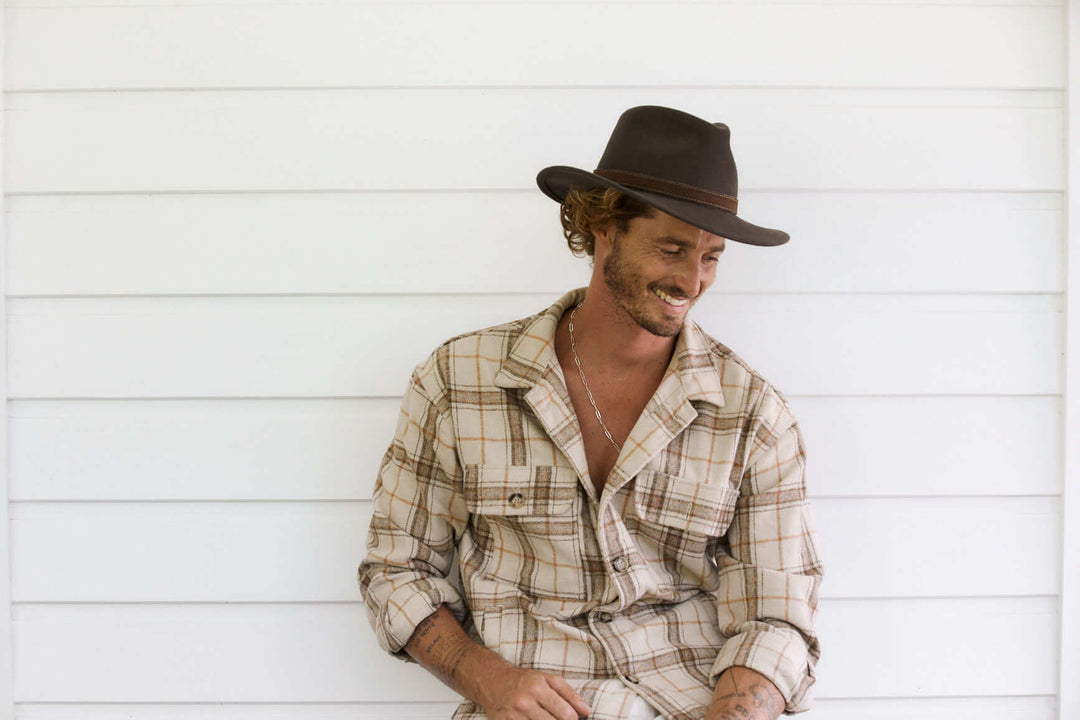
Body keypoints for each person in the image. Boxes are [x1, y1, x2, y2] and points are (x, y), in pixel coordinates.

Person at [358, 105, 823, 720]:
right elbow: (397, 570)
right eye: (672, 248)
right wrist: (490, 680)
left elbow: (777, 614)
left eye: (711, 256)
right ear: (603, 226)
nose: (692, 279)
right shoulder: (459, 380)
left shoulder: (753, 414)